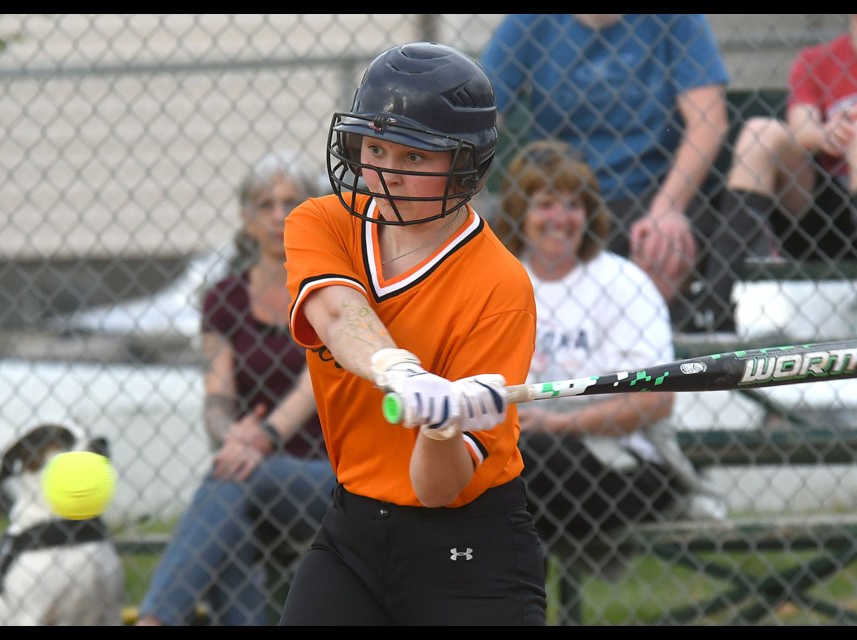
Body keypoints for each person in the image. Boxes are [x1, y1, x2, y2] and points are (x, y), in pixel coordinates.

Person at [279, 41, 547, 626]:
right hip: (352, 533)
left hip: (471, 549)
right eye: (375, 148)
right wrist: (402, 372)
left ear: (465, 168)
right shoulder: (322, 222)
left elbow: (437, 489)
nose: (385, 173)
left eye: (415, 158)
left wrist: (443, 425)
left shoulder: (500, 286)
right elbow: (336, 313)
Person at [492, 140, 724, 603]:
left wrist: (556, 424)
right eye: (545, 204)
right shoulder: (499, 282)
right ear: (520, 210)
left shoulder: (622, 283)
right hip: (523, 462)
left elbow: (655, 399)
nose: (560, 217)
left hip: (623, 465)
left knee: (517, 465)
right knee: (505, 474)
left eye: (573, 204)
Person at [136, 151, 336, 626]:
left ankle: (155, 620)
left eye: (291, 202)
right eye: (264, 204)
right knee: (230, 508)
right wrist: (232, 436)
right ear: (246, 218)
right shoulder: (223, 298)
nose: (277, 216)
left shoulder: (331, 289)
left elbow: (313, 386)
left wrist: (258, 438)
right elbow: (217, 396)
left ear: (312, 211)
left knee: (233, 478)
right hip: (250, 467)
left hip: (328, 475)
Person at [479, 14, 732, 332]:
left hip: (648, 191)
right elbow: (482, 112)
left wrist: (667, 210)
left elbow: (709, 122)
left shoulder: (676, 20)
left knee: (661, 248)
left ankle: (646, 351)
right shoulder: (530, 21)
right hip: (560, 188)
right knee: (478, 241)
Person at [720, 13, 857, 334]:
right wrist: (828, 134)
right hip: (823, 219)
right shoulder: (817, 60)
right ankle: (714, 302)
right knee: (758, 132)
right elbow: (801, 125)